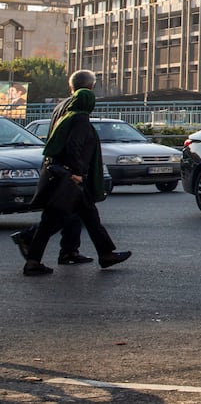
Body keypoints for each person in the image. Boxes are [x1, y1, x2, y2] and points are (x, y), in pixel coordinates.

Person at [21, 88, 131, 276]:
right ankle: (32, 259)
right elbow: (74, 146)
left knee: (86, 217)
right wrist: (77, 173)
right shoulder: (80, 119)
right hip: (71, 179)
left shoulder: (68, 116)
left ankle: (105, 254)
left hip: (62, 177)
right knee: (61, 220)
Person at [13, 70, 95, 266]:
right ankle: (31, 242)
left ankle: (69, 251)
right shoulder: (77, 108)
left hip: (59, 168)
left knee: (72, 213)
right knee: (62, 213)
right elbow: (73, 143)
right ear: (90, 87)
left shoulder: (60, 106)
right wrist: (76, 171)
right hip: (67, 171)